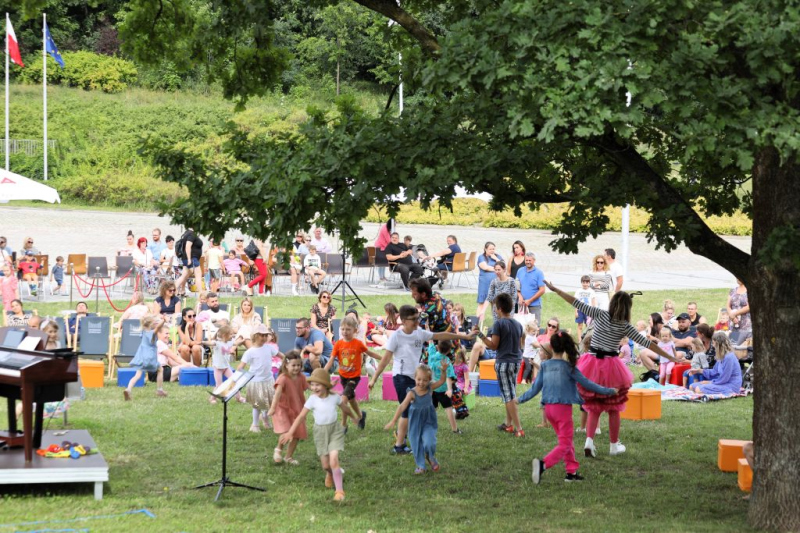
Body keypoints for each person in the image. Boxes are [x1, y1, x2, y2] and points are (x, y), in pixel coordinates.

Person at [544, 281, 676, 458]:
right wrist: (671, 357)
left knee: (594, 406)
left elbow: (576, 303)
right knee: (614, 408)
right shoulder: (625, 326)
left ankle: (589, 443)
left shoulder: (600, 314)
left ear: (613, 303)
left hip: (591, 364)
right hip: (611, 366)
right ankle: (614, 445)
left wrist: (555, 289)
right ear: (627, 309)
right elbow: (648, 344)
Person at [368, 304, 475, 455]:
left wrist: (463, 337)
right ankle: (399, 445)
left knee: (414, 410)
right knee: (408, 409)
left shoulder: (419, 333)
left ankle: (403, 437)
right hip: (401, 377)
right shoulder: (396, 337)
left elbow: (441, 335)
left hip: (416, 378)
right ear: (403, 320)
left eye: (417, 318)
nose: (417, 322)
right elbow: (385, 360)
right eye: (413, 320)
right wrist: (373, 379)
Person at [520, 330, 618, 484]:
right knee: (565, 444)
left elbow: (534, 389)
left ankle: (571, 472)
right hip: (562, 411)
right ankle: (542, 465)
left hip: (549, 411)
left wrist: (518, 400)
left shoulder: (545, 365)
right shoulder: (569, 367)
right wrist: (609, 391)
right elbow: (588, 384)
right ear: (566, 347)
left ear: (551, 347)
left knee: (567, 440)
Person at [280, 368, 359, 502]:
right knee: (326, 466)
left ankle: (339, 491)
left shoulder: (335, 397)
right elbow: (300, 417)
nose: (314, 387)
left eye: (318, 384)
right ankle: (330, 473)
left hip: (335, 430)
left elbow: (345, 408)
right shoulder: (312, 399)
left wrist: (354, 417)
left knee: (334, 460)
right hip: (320, 433)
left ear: (326, 385)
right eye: (312, 384)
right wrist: (290, 432)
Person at [474, 293, 525, 437]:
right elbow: (521, 344)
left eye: (496, 308)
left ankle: (519, 428)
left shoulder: (499, 324)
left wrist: (481, 336)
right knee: (511, 392)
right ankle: (508, 425)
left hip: (504, 363)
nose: (495, 310)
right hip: (516, 362)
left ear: (500, 308)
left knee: (508, 396)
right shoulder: (518, 324)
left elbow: (494, 346)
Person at [384, 361, 449, 474]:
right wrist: (393, 420)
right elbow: (402, 406)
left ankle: (430, 457)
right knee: (416, 443)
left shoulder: (430, 388)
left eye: (425, 380)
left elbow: (442, 381)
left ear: (429, 380)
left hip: (428, 421)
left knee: (430, 443)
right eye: (419, 379)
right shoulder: (412, 393)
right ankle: (421, 466)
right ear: (415, 378)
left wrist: (443, 371)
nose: (421, 382)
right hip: (415, 422)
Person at [324, 315, 381, 431]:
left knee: (344, 399)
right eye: (343, 329)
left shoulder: (358, 343)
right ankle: (361, 416)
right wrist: (323, 372)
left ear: (355, 330)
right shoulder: (338, 344)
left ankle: (343, 425)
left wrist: (384, 358)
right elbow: (331, 360)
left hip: (354, 377)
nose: (345, 332)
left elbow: (370, 353)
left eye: (348, 329)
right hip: (343, 376)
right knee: (351, 399)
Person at [268, 351, 308, 465]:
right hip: (283, 408)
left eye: (299, 365)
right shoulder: (283, 378)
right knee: (286, 431)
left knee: (297, 434)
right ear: (286, 365)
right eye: (294, 365)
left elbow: (311, 386)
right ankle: (278, 449)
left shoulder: (301, 377)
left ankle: (288, 457)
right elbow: (277, 394)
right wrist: (272, 408)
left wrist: (326, 386)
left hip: (297, 408)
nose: (296, 368)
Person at [236, 324, 278, 432]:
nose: (264, 338)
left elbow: (279, 354)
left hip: (268, 380)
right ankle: (255, 425)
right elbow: (241, 366)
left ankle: (265, 418)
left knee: (268, 401)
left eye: (265, 335)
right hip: (256, 381)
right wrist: (238, 376)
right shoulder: (250, 352)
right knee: (256, 404)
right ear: (255, 336)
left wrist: (286, 360)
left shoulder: (269, 348)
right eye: (261, 335)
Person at [124, 315, 168, 400]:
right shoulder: (152, 333)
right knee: (160, 369)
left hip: (142, 357)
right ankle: (159, 390)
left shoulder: (143, 332)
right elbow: (158, 327)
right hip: (149, 357)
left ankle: (128, 389)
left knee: (138, 375)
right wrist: (163, 321)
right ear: (151, 325)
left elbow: (153, 325)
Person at [426, 339, 462, 434]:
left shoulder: (432, 356)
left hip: (432, 388)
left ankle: (428, 427)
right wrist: (450, 389)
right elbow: (448, 377)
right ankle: (455, 429)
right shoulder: (446, 361)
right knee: (448, 409)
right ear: (449, 350)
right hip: (443, 389)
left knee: (432, 408)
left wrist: (429, 332)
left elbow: (430, 344)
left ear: (438, 347)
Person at [205, 325, 244, 404]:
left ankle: (238, 397)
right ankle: (212, 398)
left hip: (226, 367)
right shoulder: (217, 344)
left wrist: (243, 340)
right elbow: (211, 343)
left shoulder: (229, 342)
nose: (232, 336)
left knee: (234, 381)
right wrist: (202, 342)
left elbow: (236, 343)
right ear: (224, 335)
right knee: (219, 385)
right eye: (230, 334)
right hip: (218, 368)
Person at [515, 252, 546, 325]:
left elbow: (542, 290)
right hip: (521, 304)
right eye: (526, 260)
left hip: (534, 305)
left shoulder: (539, 273)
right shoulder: (520, 271)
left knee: (534, 327)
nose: (528, 262)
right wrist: (519, 296)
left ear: (534, 261)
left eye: (530, 260)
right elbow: (516, 285)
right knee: (521, 325)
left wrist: (530, 300)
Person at [475, 241, 503, 317]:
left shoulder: (498, 257)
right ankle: (478, 323)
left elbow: (503, 267)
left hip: (496, 284)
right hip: (484, 284)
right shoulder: (481, 257)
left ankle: (496, 322)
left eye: (493, 249)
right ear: (485, 249)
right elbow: (485, 267)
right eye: (490, 249)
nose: (492, 251)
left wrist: (496, 259)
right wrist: (497, 269)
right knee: (482, 303)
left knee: (495, 303)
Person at [176, 228, 204, 297]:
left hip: (186, 258)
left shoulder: (186, 234)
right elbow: (188, 246)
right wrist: (189, 259)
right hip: (192, 258)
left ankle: (172, 290)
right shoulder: (192, 234)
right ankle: (201, 294)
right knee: (198, 275)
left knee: (184, 276)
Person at [727, 279, 751, 344]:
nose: (737, 279)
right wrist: (732, 316)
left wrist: (735, 313)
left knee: (742, 346)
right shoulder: (732, 290)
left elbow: (750, 306)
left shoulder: (750, 290)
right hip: (733, 322)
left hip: (745, 324)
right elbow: (728, 306)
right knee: (732, 344)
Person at [574, 275, 597, 339]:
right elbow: (576, 302)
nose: (585, 284)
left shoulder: (591, 291)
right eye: (583, 282)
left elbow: (593, 302)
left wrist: (593, 312)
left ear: (589, 283)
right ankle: (579, 340)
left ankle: (586, 339)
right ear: (581, 283)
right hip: (580, 310)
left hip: (588, 311)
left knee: (588, 325)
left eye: (587, 282)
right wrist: (576, 312)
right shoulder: (578, 291)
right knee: (580, 325)